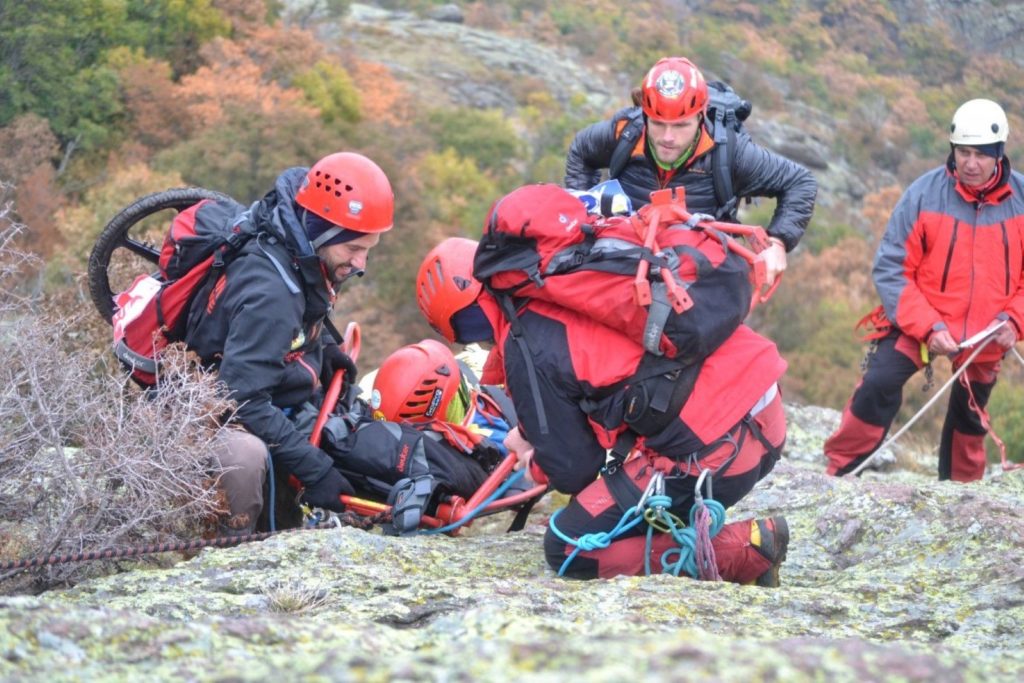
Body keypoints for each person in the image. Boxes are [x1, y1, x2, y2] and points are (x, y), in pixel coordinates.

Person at [416, 234, 792, 586]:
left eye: (463, 331)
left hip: (717, 449)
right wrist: (534, 436)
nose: (476, 341)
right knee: (618, 514)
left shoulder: (523, 339)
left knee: (568, 546)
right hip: (762, 415)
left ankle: (748, 549)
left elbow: (575, 468)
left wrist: (535, 460)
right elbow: (596, 369)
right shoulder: (567, 284)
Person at [182, 152, 392, 534]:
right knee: (246, 458)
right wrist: (315, 470)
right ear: (323, 232)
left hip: (264, 386)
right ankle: (234, 554)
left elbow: (299, 318)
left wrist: (326, 352)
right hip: (210, 406)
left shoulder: (302, 250)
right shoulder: (271, 293)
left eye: (367, 250)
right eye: (353, 249)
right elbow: (240, 398)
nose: (361, 264)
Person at [824, 98, 1024, 482]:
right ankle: (842, 471)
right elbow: (892, 268)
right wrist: (930, 327)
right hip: (921, 322)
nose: (970, 163)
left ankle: (960, 490)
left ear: (999, 154)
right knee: (878, 382)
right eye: (963, 152)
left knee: (970, 413)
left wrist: (1015, 318)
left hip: (987, 332)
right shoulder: (923, 195)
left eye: (981, 155)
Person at [564, 56, 817, 286]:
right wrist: (584, 217)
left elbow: (800, 182)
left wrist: (778, 242)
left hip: (697, 281)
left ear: (700, 116)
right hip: (621, 264)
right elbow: (581, 151)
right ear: (645, 114)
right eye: (658, 123)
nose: (668, 137)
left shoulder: (729, 152)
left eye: (681, 125)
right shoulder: (626, 133)